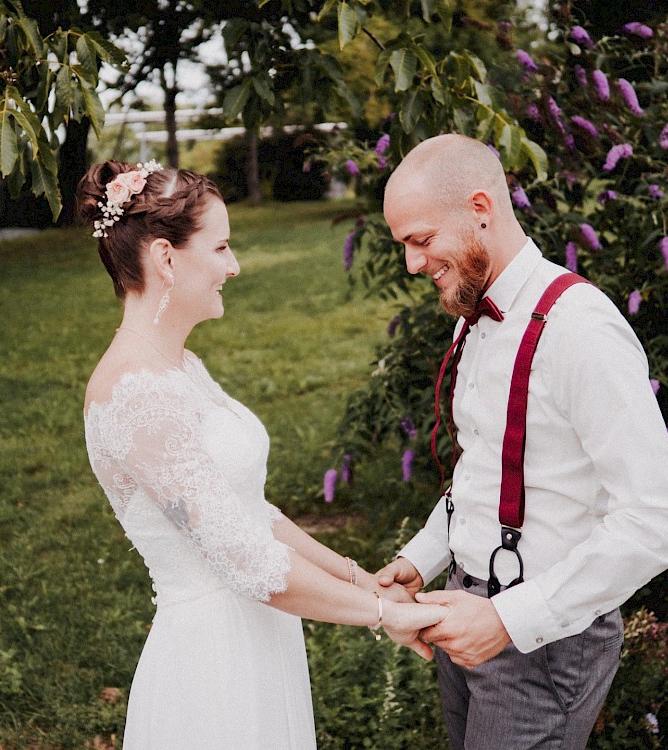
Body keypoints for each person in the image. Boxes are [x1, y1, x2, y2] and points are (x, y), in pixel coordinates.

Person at [78, 159, 446, 749]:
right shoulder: (131, 394)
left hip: (257, 635)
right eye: (221, 247)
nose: (234, 265)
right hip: (210, 666)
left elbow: (250, 513)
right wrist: (385, 616)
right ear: (166, 259)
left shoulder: (179, 368)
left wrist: (362, 580)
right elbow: (242, 555)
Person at [375, 134, 668, 749]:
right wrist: (421, 559)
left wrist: (507, 618)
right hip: (462, 608)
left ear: (479, 209)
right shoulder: (481, 315)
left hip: (543, 641)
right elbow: (485, 471)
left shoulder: (580, 330)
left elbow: (659, 519)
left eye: (421, 240)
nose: (413, 264)